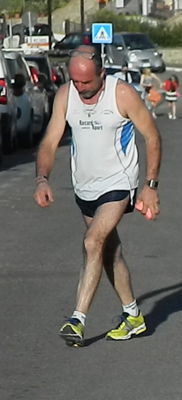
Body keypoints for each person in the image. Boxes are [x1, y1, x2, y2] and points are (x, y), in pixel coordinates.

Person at [33, 45, 162, 346]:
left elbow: (152, 136)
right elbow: (50, 142)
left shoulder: (122, 94)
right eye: (76, 82)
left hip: (118, 183)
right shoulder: (66, 95)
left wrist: (150, 186)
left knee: (92, 241)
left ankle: (77, 319)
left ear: (102, 73)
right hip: (85, 187)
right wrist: (41, 179)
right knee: (108, 252)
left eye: (86, 82)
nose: (80, 88)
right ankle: (133, 316)